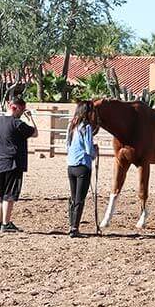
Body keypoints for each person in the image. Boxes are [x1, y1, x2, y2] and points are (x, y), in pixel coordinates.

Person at [0, 96, 38, 232]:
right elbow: (35, 133)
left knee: (0, 194)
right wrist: (30, 118)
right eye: (22, 109)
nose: (22, 112)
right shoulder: (17, 123)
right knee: (10, 194)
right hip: (13, 162)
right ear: (15, 107)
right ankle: (6, 223)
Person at [65, 101, 98, 237]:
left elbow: (67, 145)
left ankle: (72, 225)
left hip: (71, 164)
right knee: (80, 197)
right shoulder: (87, 127)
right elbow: (88, 148)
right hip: (83, 165)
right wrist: (94, 152)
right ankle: (74, 228)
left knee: (73, 197)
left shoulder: (71, 126)